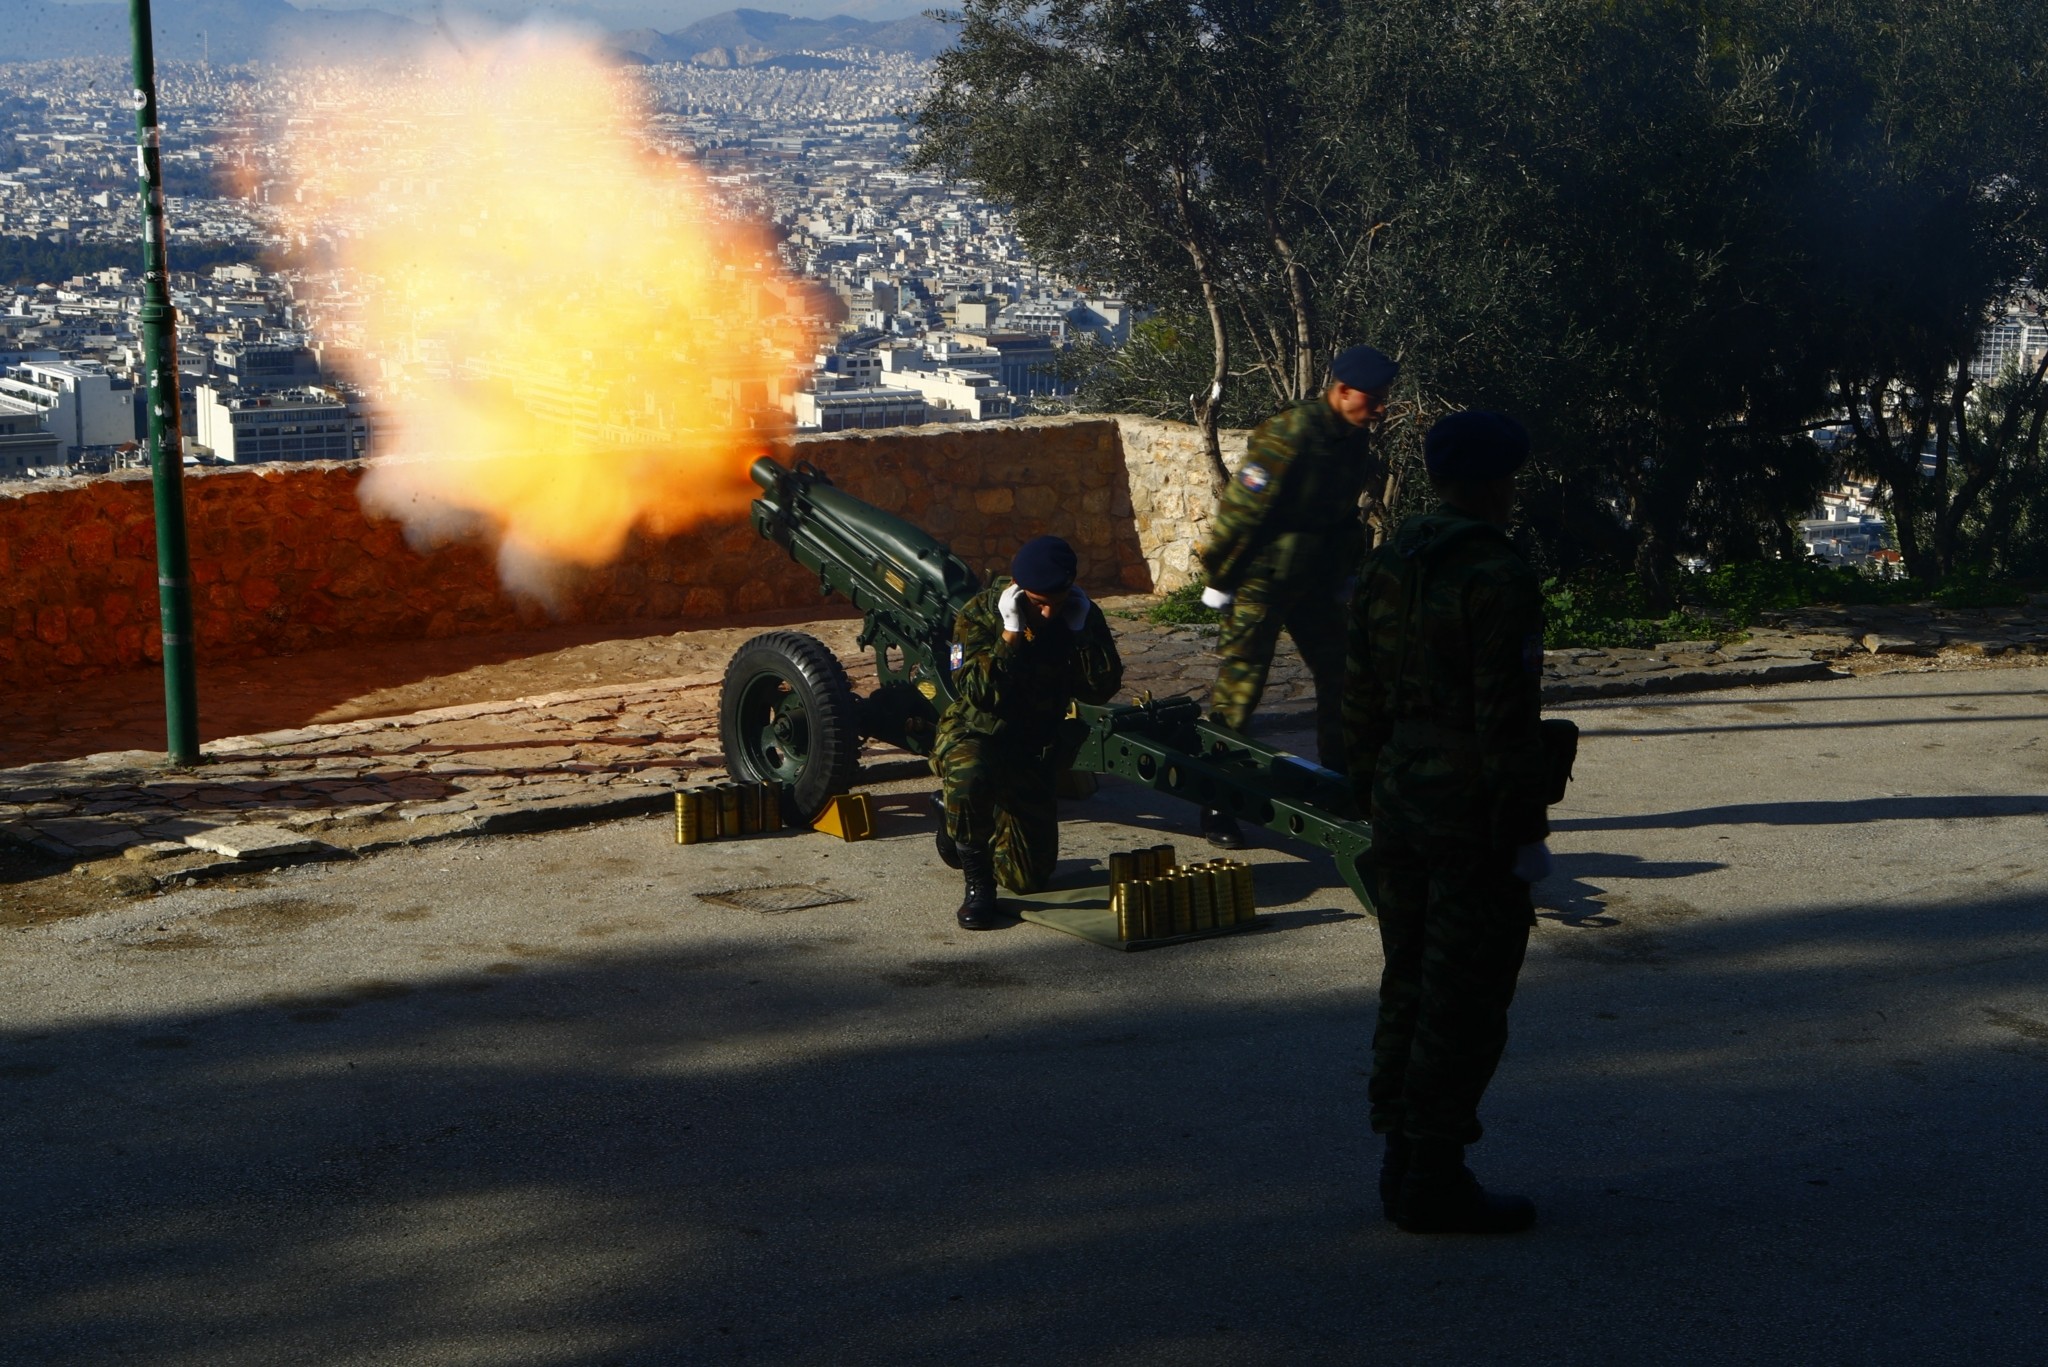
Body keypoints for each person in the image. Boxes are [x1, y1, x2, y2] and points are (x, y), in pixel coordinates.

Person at [1341, 409, 1555, 1235]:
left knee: (1409, 978)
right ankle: (1435, 1174)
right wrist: (1525, 830)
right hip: (1468, 809)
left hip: (1399, 796)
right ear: (1497, 483)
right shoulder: (1494, 575)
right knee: (1464, 997)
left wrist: (1376, 792)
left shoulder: (1391, 562)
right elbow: (1505, 718)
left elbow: (1356, 700)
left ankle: (1400, 1151)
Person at [1194, 343, 1398, 847]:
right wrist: (1221, 579)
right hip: (1262, 580)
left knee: (1344, 675)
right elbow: (1243, 510)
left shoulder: (1352, 439)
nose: (1380, 407)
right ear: (1342, 390)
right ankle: (1218, 798)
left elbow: (1341, 516)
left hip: (1315, 582)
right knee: (1241, 690)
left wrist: (1345, 574)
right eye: (1372, 397)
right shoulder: (1290, 434)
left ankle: (1341, 782)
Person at [932, 535, 1124, 930]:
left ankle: (962, 818)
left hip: (1030, 745)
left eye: (1058, 600)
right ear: (1020, 591)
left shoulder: (1078, 614)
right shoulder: (978, 614)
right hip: (977, 732)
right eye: (1039, 603)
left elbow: (1100, 688)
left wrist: (1080, 631)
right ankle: (977, 885)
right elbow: (976, 693)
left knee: (1027, 879)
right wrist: (1011, 635)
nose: (1050, 611)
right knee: (969, 779)